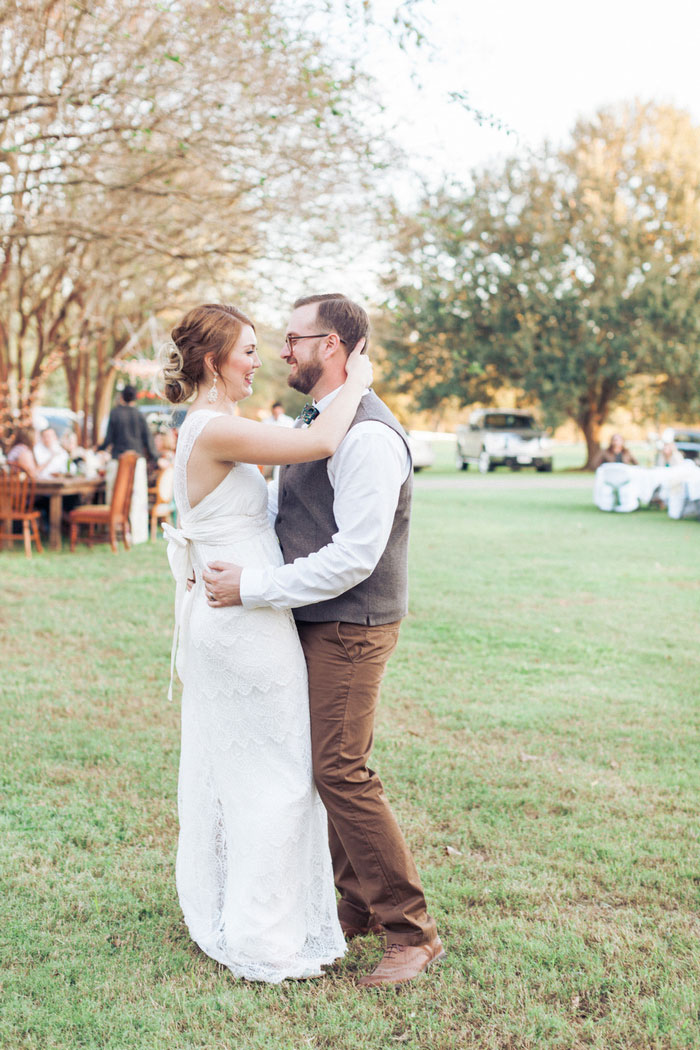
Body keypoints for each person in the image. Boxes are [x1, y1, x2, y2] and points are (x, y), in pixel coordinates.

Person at [202, 293, 444, 988]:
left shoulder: (367, 436)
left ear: (331, 345)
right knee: (320, 766)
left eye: (293, 339)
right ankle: (357, 907)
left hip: (352, 625)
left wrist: (250, 587)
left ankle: (412, 931)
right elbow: (291, 519)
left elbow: (354, 557)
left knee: (341, 769)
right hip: (318, 622)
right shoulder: (324, 422)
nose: (283, 352)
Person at [161, 301, 372, 983]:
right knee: (279, 776)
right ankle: (262, 933)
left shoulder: (207, 428)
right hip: (243, 619)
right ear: (213, 359)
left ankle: (250, 911)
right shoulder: (216, 428)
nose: (261, 361)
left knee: (250, 772)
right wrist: (358, 382)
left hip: (232, 609)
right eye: (248, 350)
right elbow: (317, 443)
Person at [99, 385, 157, 544]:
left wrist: (99, 449)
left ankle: (116, 531)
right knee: (137, 497)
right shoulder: (139, 415)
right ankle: (138, 534)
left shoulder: (115, 413)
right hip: (137, 462)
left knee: (115, 497)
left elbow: (108, 439)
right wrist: (156, 458)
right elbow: (148, 440)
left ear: (122, 397)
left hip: (117, 461)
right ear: (135, 398)